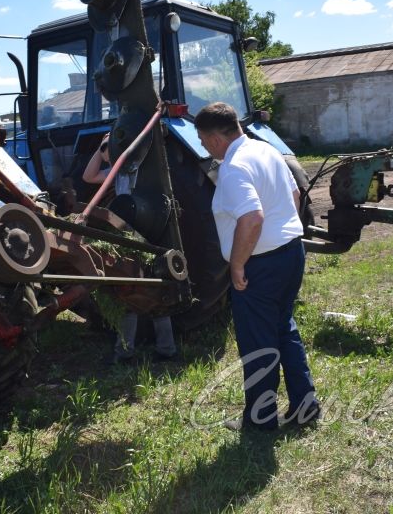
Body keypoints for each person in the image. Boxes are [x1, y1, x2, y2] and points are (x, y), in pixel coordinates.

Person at [195, 102, 320, 431]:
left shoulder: (234, 166)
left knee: (257, 342)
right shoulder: (266, 150)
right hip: (291, 252)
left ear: (215, 138)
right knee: (283, 329)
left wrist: (237, 264)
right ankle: (305, 406)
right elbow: (294, 195)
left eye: (203, 141)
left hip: (260, 265)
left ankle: (261, 418)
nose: (204, 148)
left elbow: (251, 218)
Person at [83, 133, 177, 363]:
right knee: (130, 291)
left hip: (148, 232)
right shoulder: (116, 174)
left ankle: (154, 350)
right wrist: (100, 149)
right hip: (127, 233)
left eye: (112, 148)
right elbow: (89, 176)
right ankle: (133, 351)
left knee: (147, 290)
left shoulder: (141, 170)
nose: (109, 153)